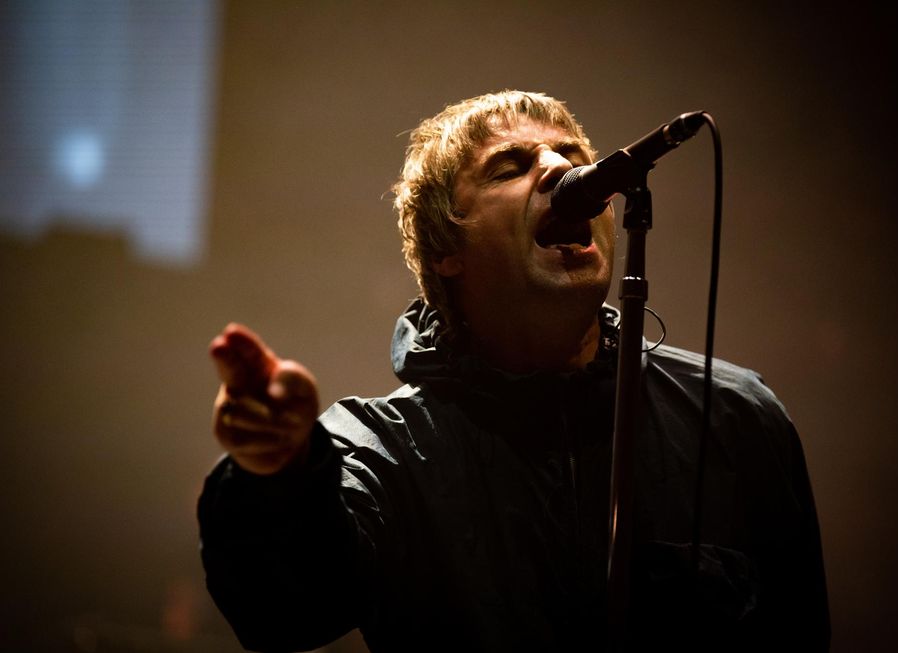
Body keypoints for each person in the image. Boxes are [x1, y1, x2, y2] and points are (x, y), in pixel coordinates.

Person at [198, 90, 830, 652]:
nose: (562, 170)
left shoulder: (736, 414)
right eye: (512, 166)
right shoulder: (382, 452)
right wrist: (276, 476)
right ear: (447, 250)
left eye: (571, 154)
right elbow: (286, 616)